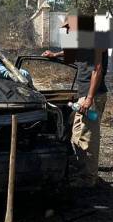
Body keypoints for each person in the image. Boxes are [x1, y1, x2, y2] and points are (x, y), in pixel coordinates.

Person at [42, 47, 108, 187]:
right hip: (83, 95)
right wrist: (55, 54)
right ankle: (82, 174)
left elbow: (97, 69)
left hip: (93, 97)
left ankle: (89, 178)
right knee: (78, 136)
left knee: (89, 139)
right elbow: (73, 52)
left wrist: (89, 98)